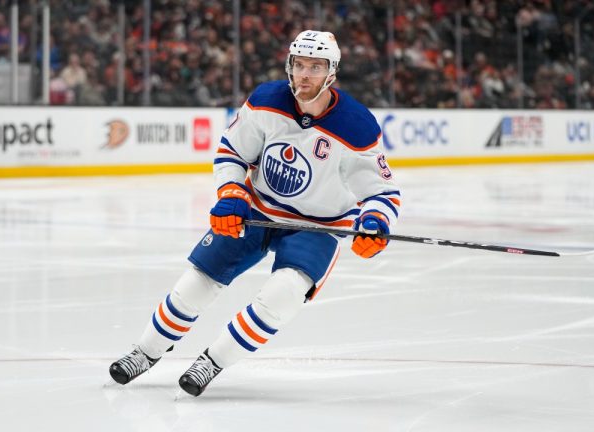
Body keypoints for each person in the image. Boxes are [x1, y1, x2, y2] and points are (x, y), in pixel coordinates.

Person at [109, 30, 401, 397]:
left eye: (316, 66)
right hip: (258, 209)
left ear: (332, 72)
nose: (305, 74)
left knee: (284, 295)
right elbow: (232, 152)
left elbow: (382, 192)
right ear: (289, 65)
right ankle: (145, 352)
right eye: (299, 64)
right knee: (195, 282)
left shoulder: (355, 125)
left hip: (317, 226)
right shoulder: (266, 100)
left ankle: (211, 362)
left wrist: (375, 222)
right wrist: (232, 193)